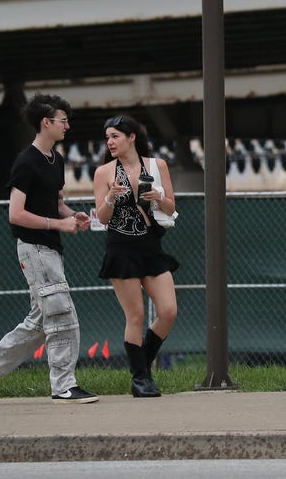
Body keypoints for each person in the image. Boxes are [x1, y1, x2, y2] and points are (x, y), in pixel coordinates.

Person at [0, 93, 98, 404]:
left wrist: (71, 215)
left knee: (41, 321)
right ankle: (63, 385)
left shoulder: (57, 160)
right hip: (34, 248)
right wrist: (58, 225)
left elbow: (54, 202)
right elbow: (16, 213)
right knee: (63, 316)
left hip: (50, 249)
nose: (67, 125)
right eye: (62, 120)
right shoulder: (26, 161)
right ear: (46, 123)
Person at [92, 114, 180, 397]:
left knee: (168, 311)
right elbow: (103, 218)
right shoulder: (104, 172)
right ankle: (140, 377)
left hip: (151, 247)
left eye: (115, 136)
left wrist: (158, 197)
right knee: (136, 315)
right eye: (108, 138)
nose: (110, 142)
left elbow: (170, 208)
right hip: (121, 248)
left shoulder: (157, 165)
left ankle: (142, 362)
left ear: (131, 137)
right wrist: (110, 198)